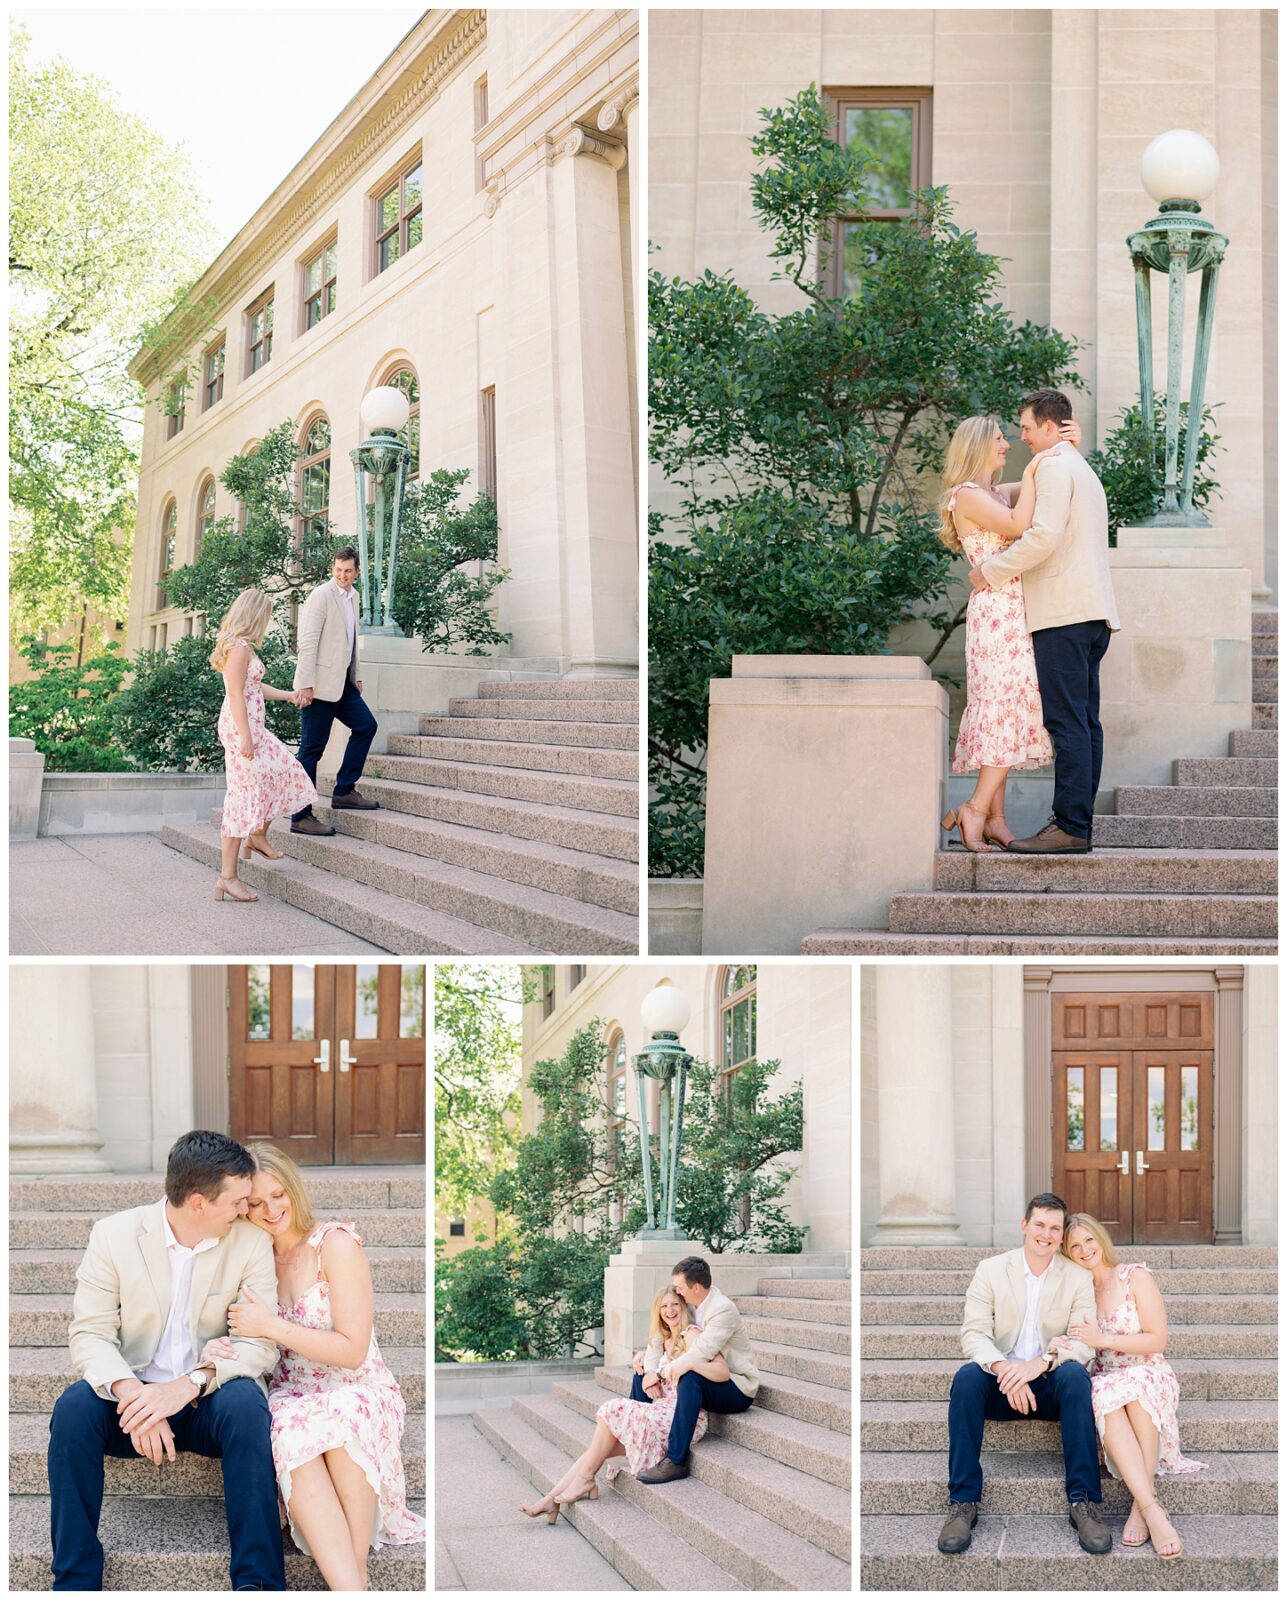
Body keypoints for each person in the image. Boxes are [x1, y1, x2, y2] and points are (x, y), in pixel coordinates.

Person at [47, 1131, 285, 1591]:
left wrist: (187, 1385)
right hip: (131, 1400)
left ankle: (259, 1584)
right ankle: (75, 1582)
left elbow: (260, 1344)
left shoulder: (250, 1243)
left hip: (205, 1400)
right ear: (198, 1202)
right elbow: (90, 1333)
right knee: (73, 1409)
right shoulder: (114, 1235)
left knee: (247, 1407)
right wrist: (137, 1397)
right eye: (237, 1201)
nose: (246, 1209)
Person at [204, 1142, 425, 1591]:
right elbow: (232, 1326)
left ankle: (351, 1584)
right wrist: (212, 1349)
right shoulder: (252, 1258)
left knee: (343, 1419)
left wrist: (272, 1326)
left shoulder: (335, 1245)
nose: (271, 1209)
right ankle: (354, 1587)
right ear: (242, 1207)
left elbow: (352, 1350)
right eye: (256, 1202)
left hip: (358, 1384)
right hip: (294, 1389)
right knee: (290, 1428)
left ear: (294, 1191)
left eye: (279, 1195)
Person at [969, 389, 1121, 854]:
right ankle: (1078, 824)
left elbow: (1043, 537)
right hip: (1092, 614)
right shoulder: (1078, 466)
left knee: (1067, 723)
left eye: (1029, 428)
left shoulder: (1055, 465)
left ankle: (1071, 826)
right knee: (1085, 723)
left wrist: (988, 572)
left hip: (1063, 615)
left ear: (1051, 427)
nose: (1023, 437)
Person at [938, 1192, 1111, 1558]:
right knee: (966, 1379)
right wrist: (1005, 1371)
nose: (1046, 1234)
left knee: (1077, 1378)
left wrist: (1041, 1364)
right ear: (1024, 1226)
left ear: (1061, 1235)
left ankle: (1084, 1503)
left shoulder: (1077, 1277)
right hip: (1000, 1382)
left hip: (1049, 1382)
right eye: (1039, 1225)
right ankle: (962, 1502)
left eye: (1054, 1228)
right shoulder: (991, 1269)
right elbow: (974, 1333)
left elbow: (1083, 1342)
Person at [937, 416, 1077, 851]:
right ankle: (975, 809)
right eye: (999, 438)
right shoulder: (967, 496)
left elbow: (1039, 493)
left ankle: (996, 818)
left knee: (1006, 706)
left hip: (1010, 609)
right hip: (998, 612)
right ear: (978, 444)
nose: (1007, 443)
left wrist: (1063, 449)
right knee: (1004, 706)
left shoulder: (993, 492)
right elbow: (1019, 524)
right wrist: (1039, 465)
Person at [1055, 1214, 1206, 1561]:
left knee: (1136, 1389)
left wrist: (1103, 1338)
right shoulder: (1080, 1292)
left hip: (1147, 1369)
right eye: (1075, 1245)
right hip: (1107, 1376)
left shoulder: (1135, 1276)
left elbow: (1158, 1339)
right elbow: (1076, 1341)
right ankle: (1152, 1507)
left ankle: (1142, 1507)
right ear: (1067, 1252)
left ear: (1101, 1239)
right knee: (1105, 1392)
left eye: (1089, 1240)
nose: (1084, 1249)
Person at [518, 1287, 723, 1522]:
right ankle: (551, 1500)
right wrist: (644, 1363)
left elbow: (719, 1370)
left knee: (614, 1410)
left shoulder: (692, 1334)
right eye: (664, 1306)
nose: (670, 1311)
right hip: (662, 1412)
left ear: (684, 1306)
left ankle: (581, 1483)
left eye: (675, 1304)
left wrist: (677, 1370)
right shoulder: (663, 1342)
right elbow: (652, 1362)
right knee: (597, 1450)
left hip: (683, 1417)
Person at [211, 589, 316, 902]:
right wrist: (245, 736)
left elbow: (253, 687)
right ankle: (228, 877)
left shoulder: (245, 648)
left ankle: (257, 836)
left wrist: (288, 695)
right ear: (255, 615)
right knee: (242, 797)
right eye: (266, 616)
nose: (267, 622)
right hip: (240, 727)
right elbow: (234, 694)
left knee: (285, 771)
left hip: (252, 726)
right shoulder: (239, 647)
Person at [634, 1255, 759, 1485]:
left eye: (680, 1288)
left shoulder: (722, 1310)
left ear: (697, 1287)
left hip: (735, 1386)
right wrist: (650, 1366)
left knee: (690, 1377)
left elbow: (700, 1351)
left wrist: (664, 1371)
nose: (678, 1293)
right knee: (642, 1373)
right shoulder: (697, 1304)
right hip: (712, 1374)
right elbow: (664, 1335)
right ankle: (638, 1438)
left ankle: (676, 1460)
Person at [290, 547, 381, 837]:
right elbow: (307, 642)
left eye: (348, 571)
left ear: (356, 572)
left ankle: (344, 791)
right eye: (338, 570)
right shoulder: (321, 596)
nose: (342, 575)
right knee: (311, 749)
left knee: (366, 726)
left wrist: (356, 676)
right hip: (317, 685)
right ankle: (301, 816)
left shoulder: (352, 597)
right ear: (333, 568)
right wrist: (305, 684)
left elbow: (351, 641)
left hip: (342, 683)